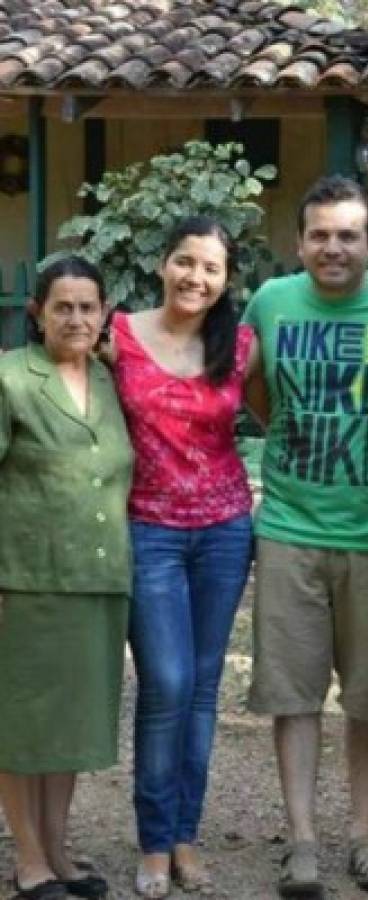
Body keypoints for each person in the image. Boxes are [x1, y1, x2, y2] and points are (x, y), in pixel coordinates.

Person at [241, 175, 368, 898]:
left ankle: (364, 835)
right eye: (319, 234)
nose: (333, 247)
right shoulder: (271, 302)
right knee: (293, 695)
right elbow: (257, 392)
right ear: (299, 243)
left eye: (348, 234)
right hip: (289, 528)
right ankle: (301, 841)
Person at [105, 217, 256, 898]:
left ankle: (186, 836)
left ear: (227, 281)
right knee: (164, 685)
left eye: (211, 268)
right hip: (151, 532)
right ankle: (154, 841)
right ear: (164, 264)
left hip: (225, 531)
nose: (195, 277)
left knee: (200, 688)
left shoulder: (242, 346)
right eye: (184, 262)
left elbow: (279, 418)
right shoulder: (119, 337)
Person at [0, 257, 133, 900]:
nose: (77, 318)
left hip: (98, 580)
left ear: (105, 311)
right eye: (63, 307)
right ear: (38, 312)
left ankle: (58, 852)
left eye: (88, 306)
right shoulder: (10, 378)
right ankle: (29, 864)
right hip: (25, 580)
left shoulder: (108, 380)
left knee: (70, 726)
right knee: (23, 725)